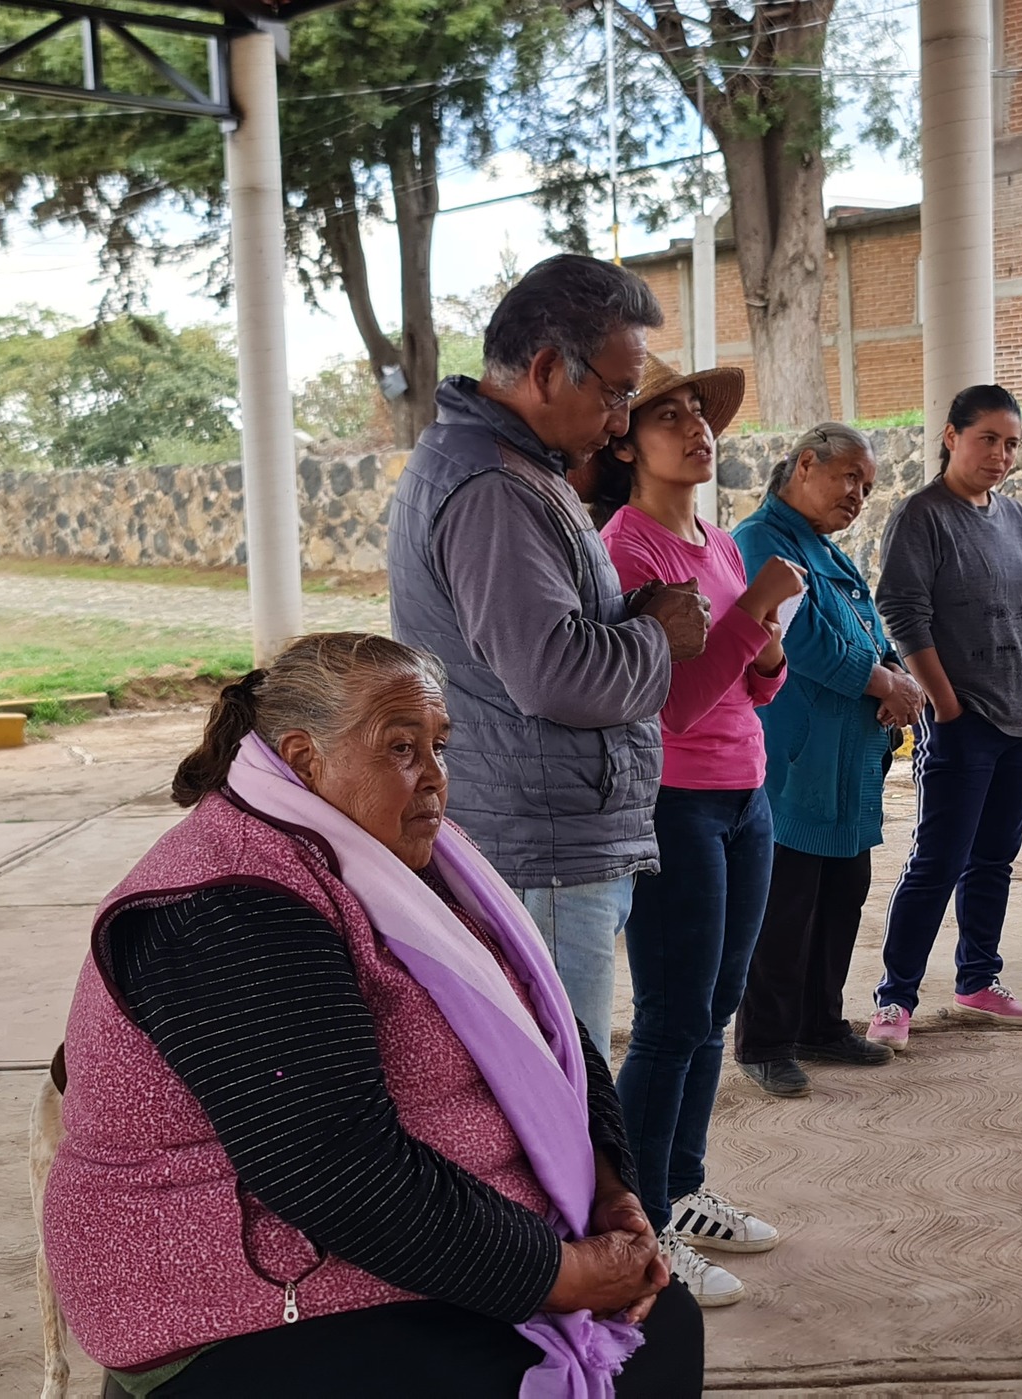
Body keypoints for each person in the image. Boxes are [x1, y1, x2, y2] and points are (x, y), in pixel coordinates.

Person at [44, 633, 702, 1397]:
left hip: (393, 1253)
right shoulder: (227, 901)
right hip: (242, 1301)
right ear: (301, 760)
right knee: (624, 1350)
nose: (434, 779)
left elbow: (548, 1032)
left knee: (662, 1318)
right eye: (400, 747)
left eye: (439, 746)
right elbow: (329, 1161)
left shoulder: (412, 863)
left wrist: (607, 1188)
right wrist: (556, 1273)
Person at [387, 254, 712, 1058]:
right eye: (616, 392)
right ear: (543, 370)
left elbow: (540, 637)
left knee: (559, 1077)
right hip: (543, 847)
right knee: (566, 1090)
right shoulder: (494, 487)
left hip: (549, 830)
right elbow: (553, 673)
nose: (620, 419)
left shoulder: (512, 466)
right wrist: (657, 637)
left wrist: (626, 617)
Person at [587, 361, 806, 1307]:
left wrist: (768, 645)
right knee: (672, 1018)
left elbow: (754, 681)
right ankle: (643, 1223)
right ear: (627, 443)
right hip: (674, 799)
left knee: (714, 1007)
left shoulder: (714, 543)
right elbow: (668, 705)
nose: (694, 429)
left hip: (744, 794)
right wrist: (754, 609)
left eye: (699, 415)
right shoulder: (624, 550)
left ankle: (682, 1185)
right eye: (665, 416)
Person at [867, 384, 1022, 1050]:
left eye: (1012, 443)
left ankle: (978, 979)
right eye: (988, 438)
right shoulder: (922, 515)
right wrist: (947, 707)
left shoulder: (1015, 519)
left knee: (994, 858)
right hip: (967, 721)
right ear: (951, 436)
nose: (1002, 454)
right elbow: (902, 611)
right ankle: (895, 998)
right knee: (939, 858)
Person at [732, 424, 922, 1093]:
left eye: (868, 487)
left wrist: (899, 674)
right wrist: (885, 683)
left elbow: (867, 629)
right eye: (850, 479)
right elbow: (804, 644)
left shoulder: (822, 548)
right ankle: (766, 1041)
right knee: (784, 910)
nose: (859, 496)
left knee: (840, 900)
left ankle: (820, 1023)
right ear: (806, 462)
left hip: (845, 766)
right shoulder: (761, 541)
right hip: (793, 764)